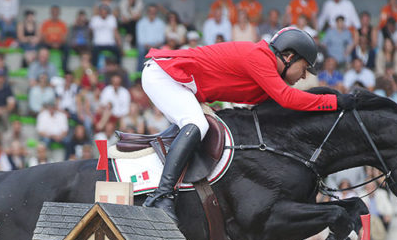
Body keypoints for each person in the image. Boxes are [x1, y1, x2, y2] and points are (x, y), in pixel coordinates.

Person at [141, 27, 350, 220]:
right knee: (197, 124)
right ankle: (161, 196)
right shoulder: (259, 57)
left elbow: (283, 108)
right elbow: (288, 98)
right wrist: (335, 101)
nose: (304, 75)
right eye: (304, 68)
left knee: (202, 125)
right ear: (289, 57)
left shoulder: (265, 71)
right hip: (164, 75)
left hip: (181, 84)